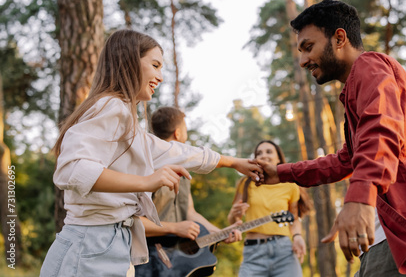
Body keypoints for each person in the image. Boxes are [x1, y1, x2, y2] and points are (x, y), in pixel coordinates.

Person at [261, 0, 406, 276]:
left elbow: (381, 131)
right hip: (387, 241)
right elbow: (345, 160)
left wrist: (358, 200)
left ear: (339, 38)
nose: (302, 61)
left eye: (308, 47)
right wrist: (280, 173)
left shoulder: (370, 66)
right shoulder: (357, 87)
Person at [40, 29, 263, 277]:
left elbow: (177, 151)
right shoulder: (111, 105)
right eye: (155, 65)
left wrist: (232, 162)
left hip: (110, 243)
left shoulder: (129, 123)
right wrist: (147, 181)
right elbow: (73, 170)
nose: (160, 76)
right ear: (129, 61)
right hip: (90, 245)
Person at [135, 106, 242, 277]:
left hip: (178, 264)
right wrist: (175, 228)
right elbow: (133, 222)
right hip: (148, 260)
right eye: (185, 128)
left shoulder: (185, 173)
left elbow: (190, 213)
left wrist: (220, 232)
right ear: (178, 133)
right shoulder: (147, 168)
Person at [228, 140, 311, 277]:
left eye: (269, 152)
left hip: (284, 251)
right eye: (259, 153)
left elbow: (294, 218)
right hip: (253, 252)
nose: (264, 155)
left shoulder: (290, 184)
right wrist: (233, 214)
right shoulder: (246, 183)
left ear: (278, 158)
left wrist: (297, 236)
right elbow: (233, 221)